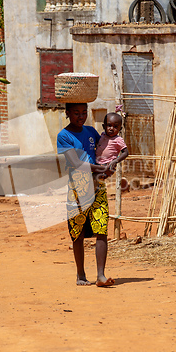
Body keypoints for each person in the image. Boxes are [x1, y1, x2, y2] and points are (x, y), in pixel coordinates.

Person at [57, 103, 115, 287]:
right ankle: (81, 275)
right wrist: (101, 168)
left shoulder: (91, 131)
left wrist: (111, 163)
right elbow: (75, 162)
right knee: (78, 232)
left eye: (84, 113)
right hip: (77, 188)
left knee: (101, 227)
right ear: (67, 113)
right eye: (76, 113)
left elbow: (103, 150)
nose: (81, 116)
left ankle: (101, 276)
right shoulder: (64, 136)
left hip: (98, 185)